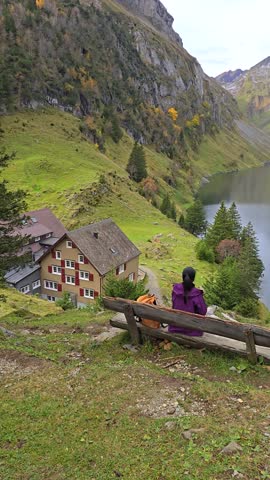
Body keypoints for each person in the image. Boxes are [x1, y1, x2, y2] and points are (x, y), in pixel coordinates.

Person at [168, 267, 207, 337]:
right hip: (191, 331)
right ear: (193, 278)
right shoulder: (197, 294)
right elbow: (203, 312)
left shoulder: (175, 290)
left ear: (182, 276)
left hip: (174, 327)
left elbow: (174, 305)